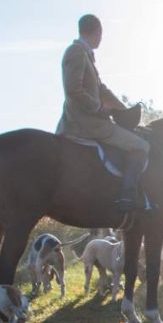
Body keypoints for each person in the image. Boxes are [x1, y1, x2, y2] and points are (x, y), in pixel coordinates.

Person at [56, 14, 149, 211]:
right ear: (97, 32)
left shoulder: (86, 54)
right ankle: (127, 195)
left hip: (88, 120)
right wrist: (99, 109)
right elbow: (74, 90)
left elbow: (102, 90)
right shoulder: (76, 51)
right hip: (85, 124)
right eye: (101, 34)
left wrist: (124, 111)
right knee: (141, 146)